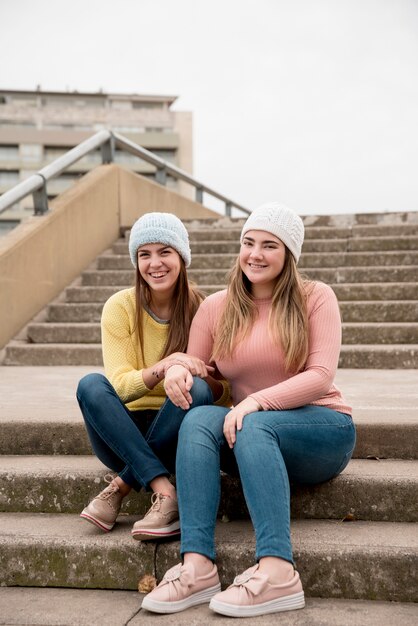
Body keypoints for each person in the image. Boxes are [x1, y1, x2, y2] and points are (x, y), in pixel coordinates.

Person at [141, 202, 356, 617]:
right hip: (251, 436)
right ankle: (197, 567)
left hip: (321, 429)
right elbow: (205, 373)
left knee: (255, 424)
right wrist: (178, 370)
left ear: (288, 254)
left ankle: (278, 572)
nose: (255, 254)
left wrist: (256, 400)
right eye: (248, 242)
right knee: (201, 418)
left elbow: (321, 376)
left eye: (269, 245)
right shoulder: (217, 307)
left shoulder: (316, 297)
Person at [76, 212, 228, 540]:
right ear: (136, 261)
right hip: (122, 434)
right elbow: (118, 387)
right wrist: (166, 365)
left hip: (177, 432)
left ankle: (121, 486)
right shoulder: (120, 307)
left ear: (181, 257)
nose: (154, 263)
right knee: (90, 384)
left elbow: (223, 391)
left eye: (165, 252)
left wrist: (194, 373)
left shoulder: (205, 308)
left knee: (199, 390)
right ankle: (165, 490)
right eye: (144, 254)